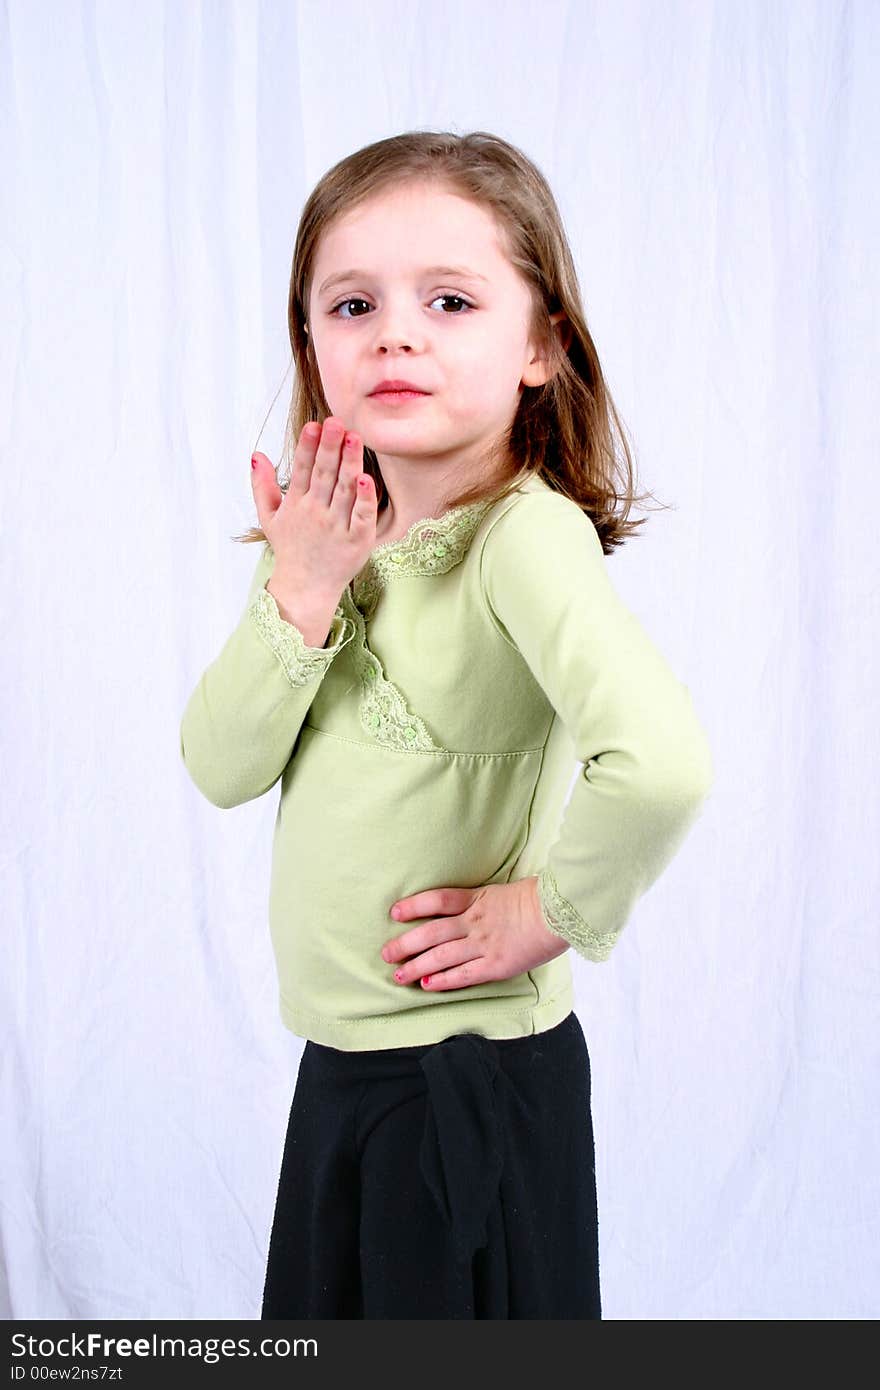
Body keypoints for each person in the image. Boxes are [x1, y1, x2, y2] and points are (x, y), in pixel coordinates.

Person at [179, 130, 714, 1320]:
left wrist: (550, 910)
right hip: (344, 1066)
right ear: (310, 347)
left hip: (465, 1082)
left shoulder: (521, 538)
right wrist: (302, 585)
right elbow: (220, 766)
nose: (395, 333)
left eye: (451, 299)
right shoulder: (318, 535)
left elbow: (662, 763)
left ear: (540, 349)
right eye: (352, 302)